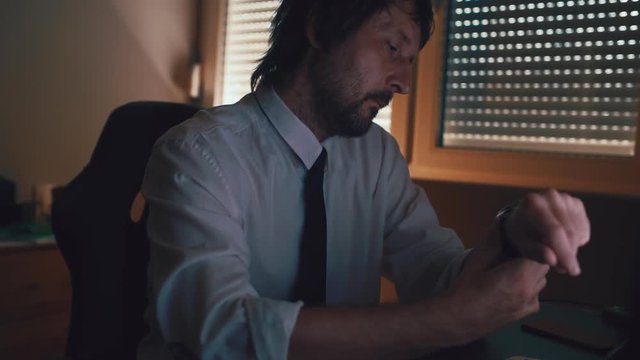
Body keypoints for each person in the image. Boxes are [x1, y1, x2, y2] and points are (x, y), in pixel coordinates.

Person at [138, 0, 591, 359]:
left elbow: (436, 271)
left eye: (411, 60)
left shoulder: (376, 155)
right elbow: (222, 331)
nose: (405, 82)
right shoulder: (199, 153)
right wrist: (449, 321)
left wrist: (509, 234)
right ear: (319, 27)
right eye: (393, 49)